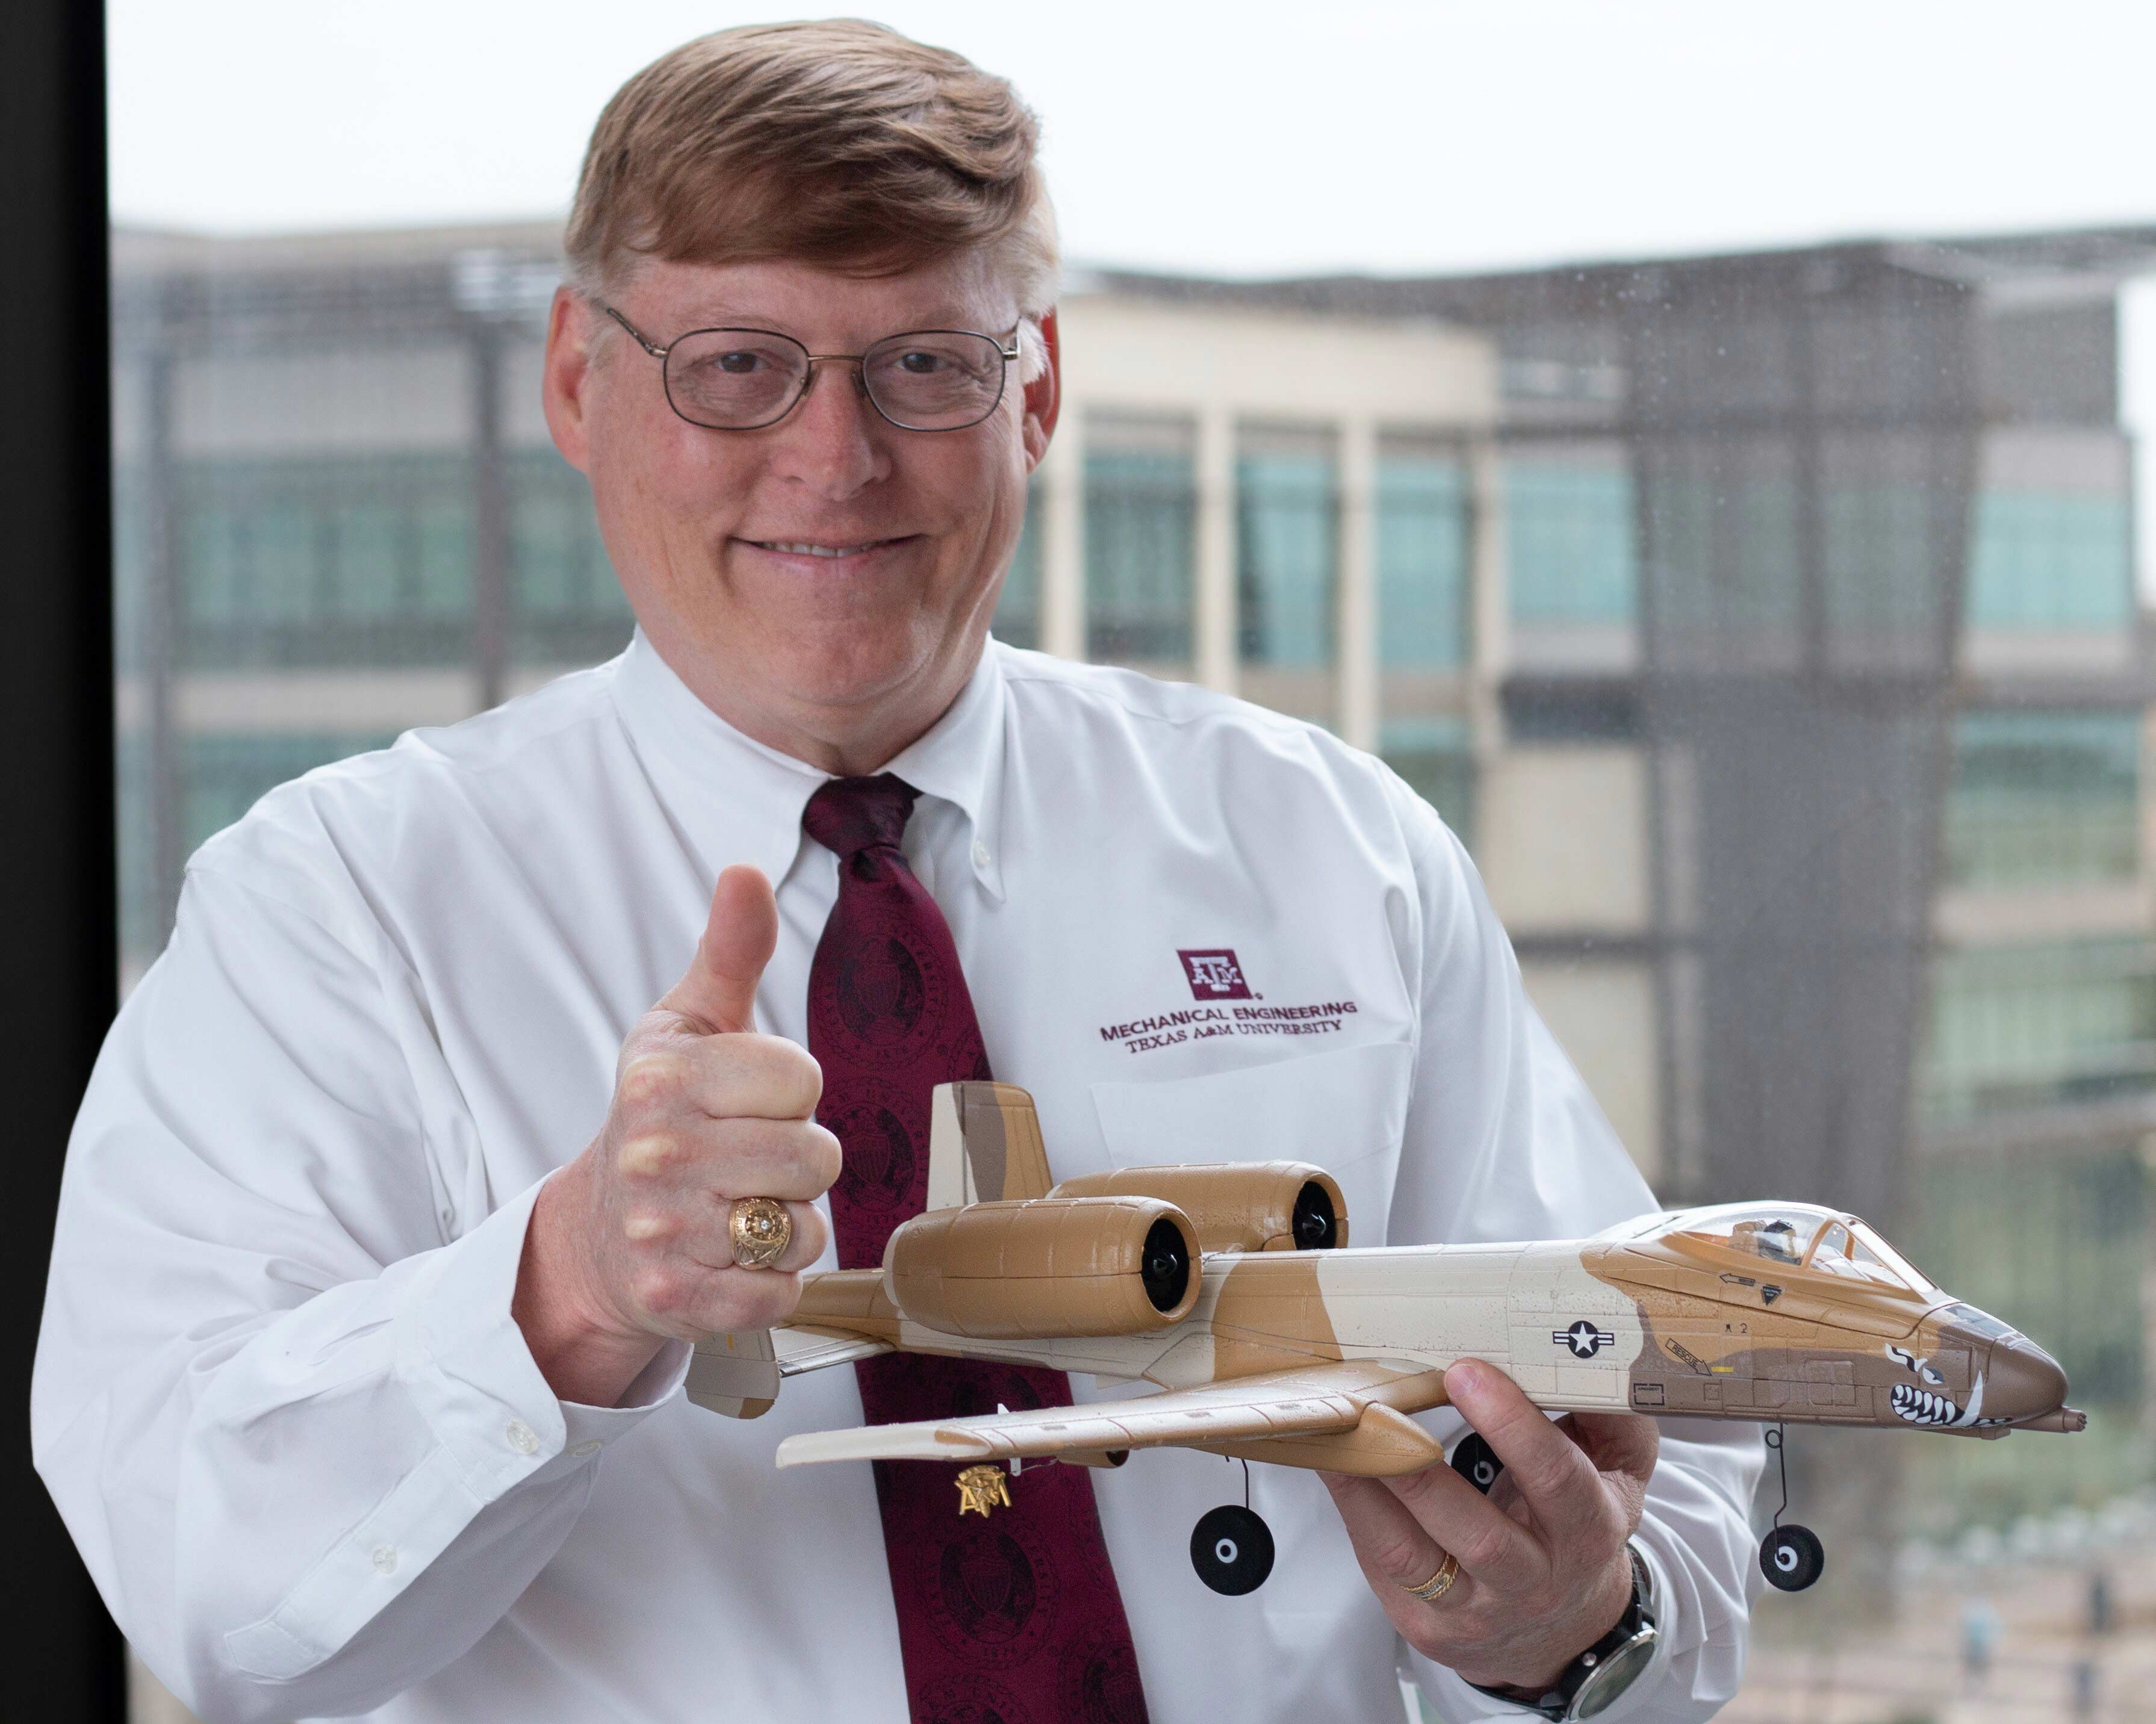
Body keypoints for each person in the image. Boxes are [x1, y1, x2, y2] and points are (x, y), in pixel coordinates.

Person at [33, 20, 1759, 1723]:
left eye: (924, 365)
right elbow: (213, 1594)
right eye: (737, 364)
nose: (836, 457)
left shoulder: (1332, 847)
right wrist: (566, 1289)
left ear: (1041, 389)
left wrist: (1573, 1628)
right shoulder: (338, 912)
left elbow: (1632, 1414)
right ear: (578, 379)